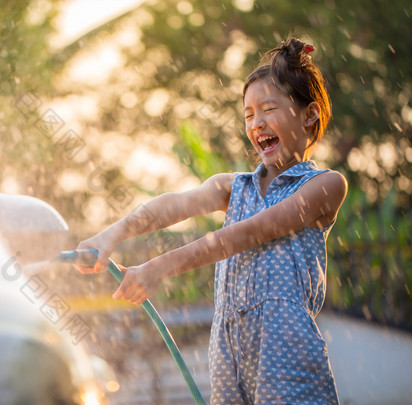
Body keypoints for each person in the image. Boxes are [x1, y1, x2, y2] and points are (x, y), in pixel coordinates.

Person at [74, 37, 347, 404]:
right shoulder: (234, 187)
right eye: (249, 114)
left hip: (285, 352)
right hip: (228, 351)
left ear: (309, 114)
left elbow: (250, 233)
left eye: (269, 109)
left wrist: (157, 268)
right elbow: (171, 206)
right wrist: (111, 233)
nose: (257, 123)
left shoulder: (325, 185)